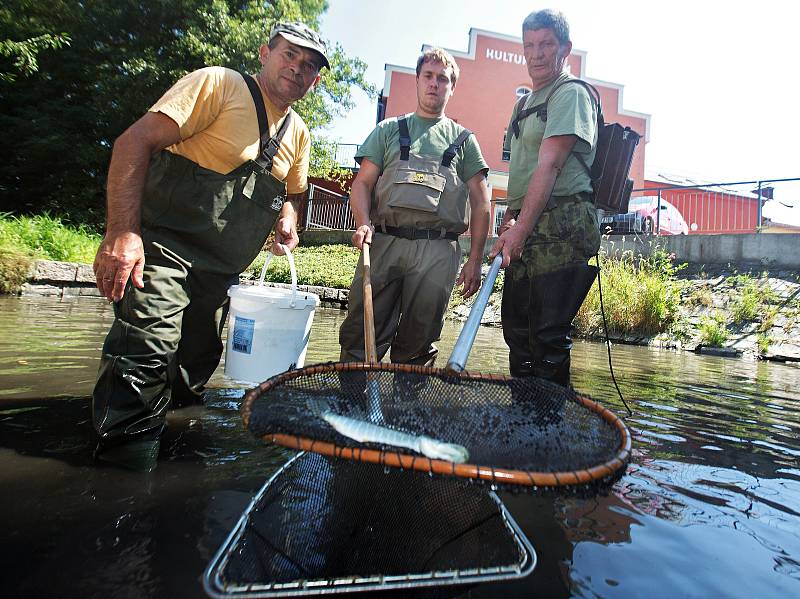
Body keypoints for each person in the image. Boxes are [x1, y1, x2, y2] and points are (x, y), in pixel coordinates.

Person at [91, 22, 329, 470]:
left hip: (220, 276)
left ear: (315, 80)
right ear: (264, 53)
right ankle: (118, 483)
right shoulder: (219, 84)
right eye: (289, 57)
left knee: (190, 371)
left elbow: (294, 193)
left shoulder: (298, 132)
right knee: (148, 352)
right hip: (162, 250)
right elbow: (132, 142)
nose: (297, 70)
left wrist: (288, 219)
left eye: (309, 67)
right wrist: (123, 232)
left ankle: (171, 484)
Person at [339, 48, 490, 366]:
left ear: (452, 87)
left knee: (418, 344)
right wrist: (363, 222)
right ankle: (351, 403)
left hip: (437, 252)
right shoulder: (387, 130)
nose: (435, 84)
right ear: (417, 80)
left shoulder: (464, 141)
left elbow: (481, 203)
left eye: (443, 79)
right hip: (383, 243)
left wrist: (475, 260)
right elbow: (362, 183)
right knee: (360, 336)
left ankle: (404, 411)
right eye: (429, 76)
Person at [489, 9, 601, 387]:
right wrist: (510, 221)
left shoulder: (570, 94)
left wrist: (519, 230)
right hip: (527, 221)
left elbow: (550, 166)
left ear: (565, 48)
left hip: (563, 224)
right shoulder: (522, 105)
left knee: (547, 335)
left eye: (546, 45)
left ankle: (551, 431)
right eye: (529, 46)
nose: (536, 54)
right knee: (517, 333)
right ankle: (525, 421)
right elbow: (520, 172)